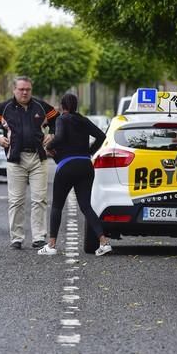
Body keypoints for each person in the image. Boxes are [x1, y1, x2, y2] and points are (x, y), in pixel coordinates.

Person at [0, 76, 59, 249]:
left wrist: (52, 134)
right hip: (15, 159)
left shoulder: (41, 106)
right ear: (14, 90)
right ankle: (16, 238)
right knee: (16, 200)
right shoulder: (4, 108)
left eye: (28, 89)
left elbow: (57, 118)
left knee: (39, 199)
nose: (25, 92)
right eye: (21, 89)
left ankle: (39, 237)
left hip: (39, 158)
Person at [37, 93, 111, 256]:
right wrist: (89, 151)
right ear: (76, 105)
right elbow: (102, 136)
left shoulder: (62, 119)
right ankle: (104, 241)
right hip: (85, 165)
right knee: (86, 206)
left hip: (67, 166)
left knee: (57, 206)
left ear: (62, 106)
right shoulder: (83, 120)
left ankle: (51, 245)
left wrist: (48, 145)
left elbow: (61, 137)